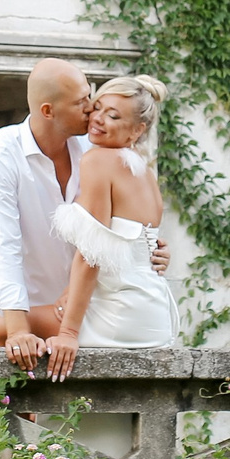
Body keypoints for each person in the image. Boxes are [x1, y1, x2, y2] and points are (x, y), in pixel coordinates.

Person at [0, 59, 169, 374]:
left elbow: (101, 245)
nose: (92, 110)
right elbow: (2, 250)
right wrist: (18, 328)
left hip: (87, 312)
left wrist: (150, 251)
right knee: (16, 402)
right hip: (28, 310)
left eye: (92, 97)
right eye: (83, 102)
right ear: (48, 111)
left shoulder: (96, 148)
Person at [35, 75, 179, 376]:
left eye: (112, 115)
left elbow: (92, 253)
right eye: (97, 108)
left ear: (138, 130)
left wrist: (69, 333)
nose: (97, 119)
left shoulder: (99, 160)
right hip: (153, 314)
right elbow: (141, 246)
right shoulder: (142, 170)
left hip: (120, 312)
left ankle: (0, 423)